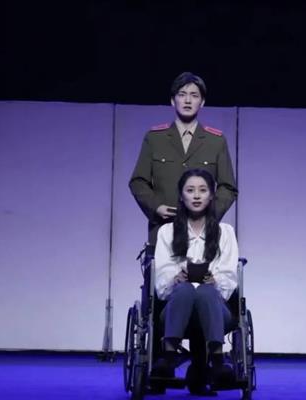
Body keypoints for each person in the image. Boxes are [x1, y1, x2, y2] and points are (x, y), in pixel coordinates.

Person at [129, 72, 238, 246]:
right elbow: (138, 181)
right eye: (182, 94)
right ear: (173, 100)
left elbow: (228, 187)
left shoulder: (216, 141)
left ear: (202, 102)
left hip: (203, 235)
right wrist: (156, 207)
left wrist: (210, 215)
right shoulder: (155, 138)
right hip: (163, 232)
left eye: (194, 95)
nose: (188, 100)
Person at [153, 168, 238, 387]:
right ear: (181, 196)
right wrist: (175, 278)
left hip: (216, 309)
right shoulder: (167, 232)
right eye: (190, 190)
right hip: (176, 308)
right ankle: (169, 356)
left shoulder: (225, 232)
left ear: (211, 196)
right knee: (185, 289)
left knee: (206, 291)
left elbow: (229, 274)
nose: (197, 196)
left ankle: (217, 360)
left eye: (203, 190)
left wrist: (216, 281)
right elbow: (162, 279)